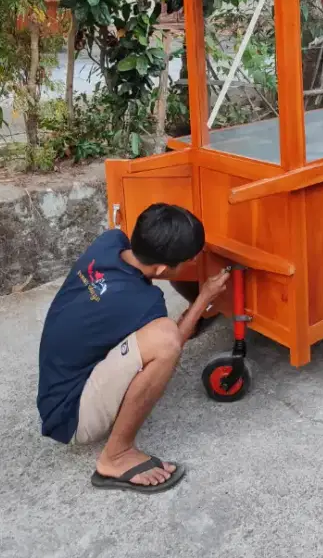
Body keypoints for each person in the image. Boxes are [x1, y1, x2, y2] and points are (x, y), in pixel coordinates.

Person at [37, 203, 229, 493]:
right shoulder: (144, 304)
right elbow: (176, 339)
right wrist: (205, 297)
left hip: (55, 391)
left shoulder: (109, 243)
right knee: (164, 340)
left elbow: (136, 282)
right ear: (164, 269)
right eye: (190, 261)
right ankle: (116, 456)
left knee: (157, 336)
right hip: (71, 415)